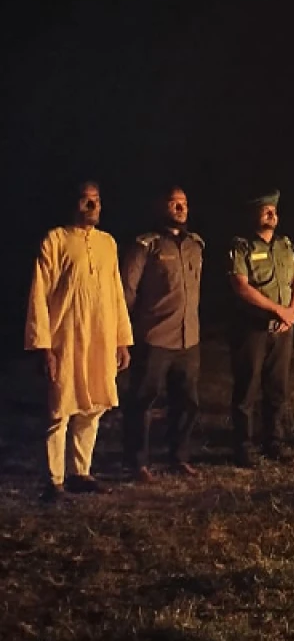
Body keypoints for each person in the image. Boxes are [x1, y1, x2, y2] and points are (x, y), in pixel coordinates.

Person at [25, 181, 132, 501]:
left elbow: (116, 293)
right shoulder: (56, 240)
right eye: (86, 200)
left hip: (99, 337)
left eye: (96, 200)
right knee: (60, 408)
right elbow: (39, 295)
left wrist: (121, 340)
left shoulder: (107, 243)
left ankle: (80, 472)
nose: (92, 206)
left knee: (92, 406)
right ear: (74, 203)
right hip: (65, 339)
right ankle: (54, 479)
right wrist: (44, 346)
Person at [120, 186, 203, 482]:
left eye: (184, 203)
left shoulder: (195, 245)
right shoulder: (146, 245)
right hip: (155, 337)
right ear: (160, 208)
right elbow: (127, 292)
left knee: (187, 402)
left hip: (188, 338)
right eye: (173, 203)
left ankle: (178, 457)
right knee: (143, 400)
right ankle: (138, 462)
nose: (180, 209)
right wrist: (126, 334)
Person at [228, 190, 294, 468]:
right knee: (247, 388)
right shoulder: (243, 246)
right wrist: (278, 310)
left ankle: (274, 441)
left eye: (274, 210)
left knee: (277, 388)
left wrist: (291, 311)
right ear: (254, 215)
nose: (272, 214)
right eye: (265, 210)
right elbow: (241, 286)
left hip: (282, 329)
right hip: (253, 329)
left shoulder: (284, 245)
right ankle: (243, 446)